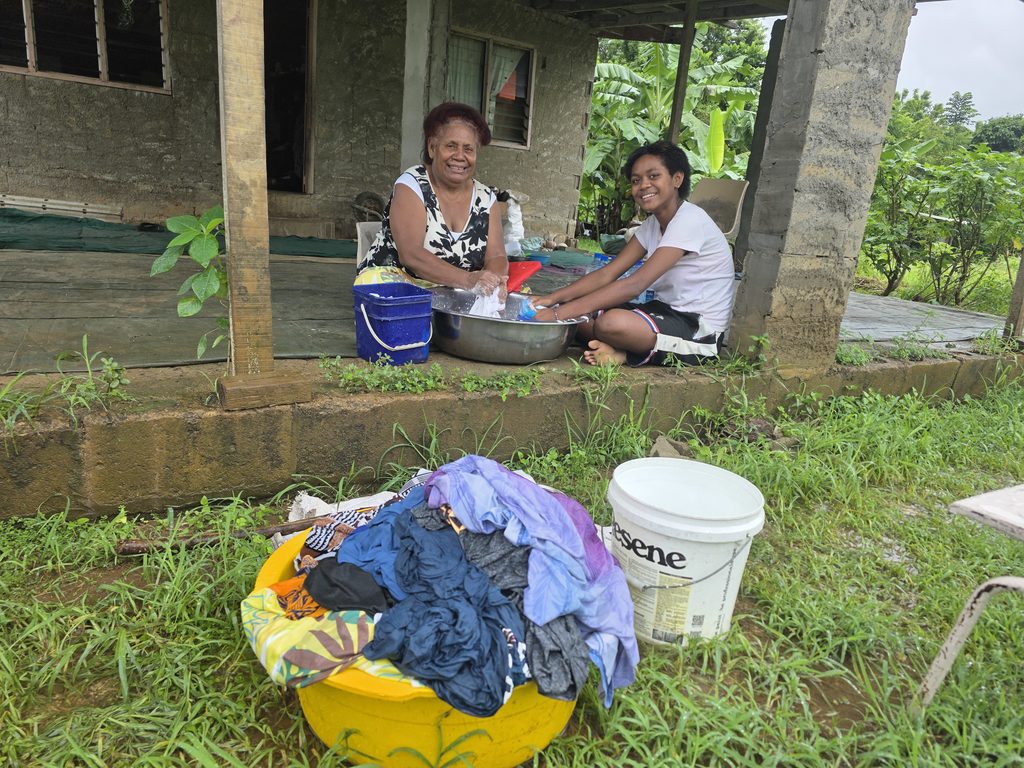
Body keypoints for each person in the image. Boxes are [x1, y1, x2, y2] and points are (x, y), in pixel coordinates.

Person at [531, 141, 736, 367]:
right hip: (664, 312)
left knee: (609, 323)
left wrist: (558, 316)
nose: (643, 185)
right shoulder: (652, 224)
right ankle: (615, 346)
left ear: (677, 179)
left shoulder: (690, 220)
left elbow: (635, 284)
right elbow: (607, 274)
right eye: (636, 180)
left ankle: (624, 354)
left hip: (698, 328)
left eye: (653, 176)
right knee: (579, 317)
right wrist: (554, 300)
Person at [356, 102, 508, 294]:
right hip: (404, 287)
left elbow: (496, 256)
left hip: (455, 292)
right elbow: (411, 255)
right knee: (380, 282)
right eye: (451, 146)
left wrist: (491, 283)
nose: (460, 156)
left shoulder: (486, 199)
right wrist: (469, 280)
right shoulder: (412, 184)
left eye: (468, 149)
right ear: (432, 148)